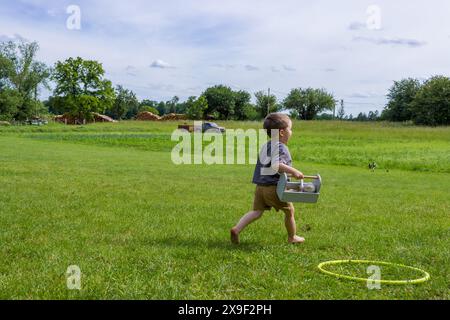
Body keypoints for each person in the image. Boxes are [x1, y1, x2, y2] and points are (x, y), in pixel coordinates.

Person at [230, 113, 305, 244]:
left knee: (257, 212)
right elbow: (276, 165)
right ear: (282, 132)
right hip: (273, 187)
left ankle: (237, 229)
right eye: (290, 129)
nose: (291, 132)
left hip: (260, 187)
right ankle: (292, 237)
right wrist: (294, 171)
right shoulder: (281, 147)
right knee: (290, 211)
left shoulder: (267, 145)